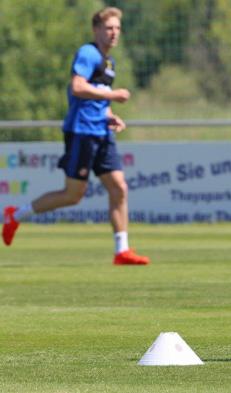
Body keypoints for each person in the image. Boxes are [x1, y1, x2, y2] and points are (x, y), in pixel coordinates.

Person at [2, 7, 149, 265]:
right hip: (81, 132)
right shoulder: (88, 53)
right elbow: (78, 87)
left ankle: (122, 250)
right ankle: (15, 215)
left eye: (117, 28)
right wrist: (113, 96)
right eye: (108, 28)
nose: (114, 33)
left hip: (101, 131)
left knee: (119, 188)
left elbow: (98, 95)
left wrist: (109, 114)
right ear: (96, 30)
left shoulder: (108, 62)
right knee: (72, 195)